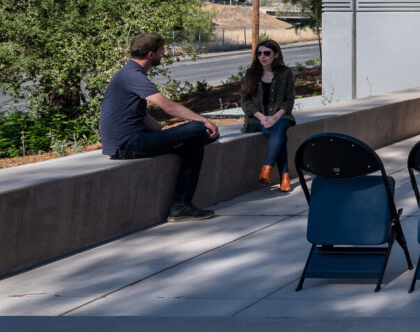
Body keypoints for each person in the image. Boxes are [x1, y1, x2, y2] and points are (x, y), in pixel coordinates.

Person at [100, 33, 221, 221]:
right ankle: (181, 206)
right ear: (150, 54)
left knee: (195, 144)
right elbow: (169, 107)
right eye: (161, 50)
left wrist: (164, 133)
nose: (164, 53)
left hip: (135, 139)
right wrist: (204, 120)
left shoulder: (131, 72)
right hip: (125, 146)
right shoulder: (132, 75)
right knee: (197, 129)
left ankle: (181, 207)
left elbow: (142, 115)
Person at [239, 39, 297, 192]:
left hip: (281, 115)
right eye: (259, 53)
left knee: (279, 127)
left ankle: (267, 168)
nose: (262, 56)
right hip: (257, 117)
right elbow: (246, 103)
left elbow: (289, 100)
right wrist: (263, 118)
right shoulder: (250, 74)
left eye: (266, 53)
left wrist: (276, 116)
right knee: (280, 136)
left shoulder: (285, 73)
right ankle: (284, 175)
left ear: (276, 54)